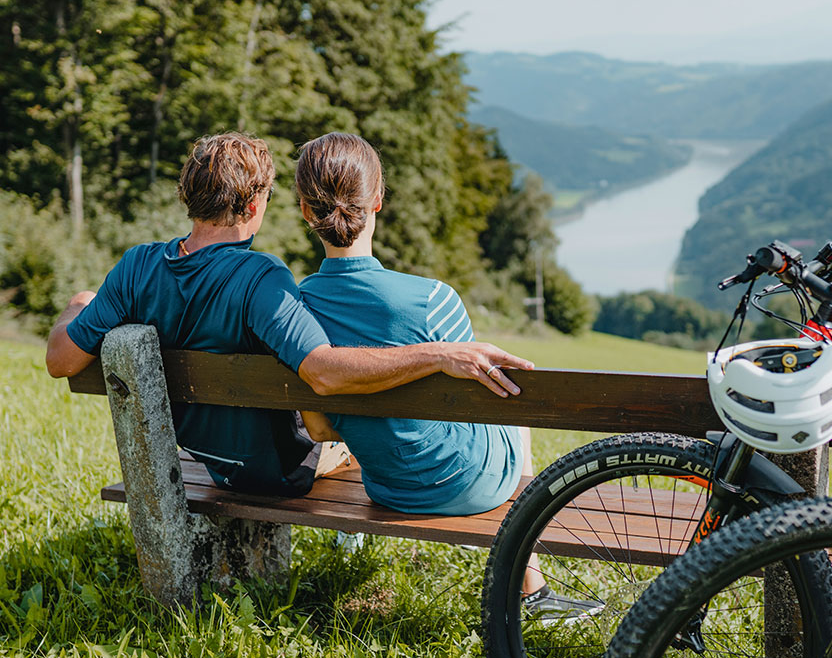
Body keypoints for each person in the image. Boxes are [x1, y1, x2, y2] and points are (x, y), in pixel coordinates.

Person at [44, 131, 533, 499]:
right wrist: (439, 353)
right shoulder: (261, 279)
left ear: (187, 196)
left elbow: (61, 361)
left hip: (214, 463)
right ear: (256, 205)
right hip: (279, 469)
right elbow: (321, 370)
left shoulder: (137, 267)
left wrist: (78, 306)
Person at [292, 131, 601, 621]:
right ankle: (533, 588)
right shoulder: (433, 298)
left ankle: (348, 542)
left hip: (386, 487)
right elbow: (485, 399)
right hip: (468, 485)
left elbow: (323, 430)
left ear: (308, 212)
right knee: (509, 402)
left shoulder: (296, 310)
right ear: (377, 201)